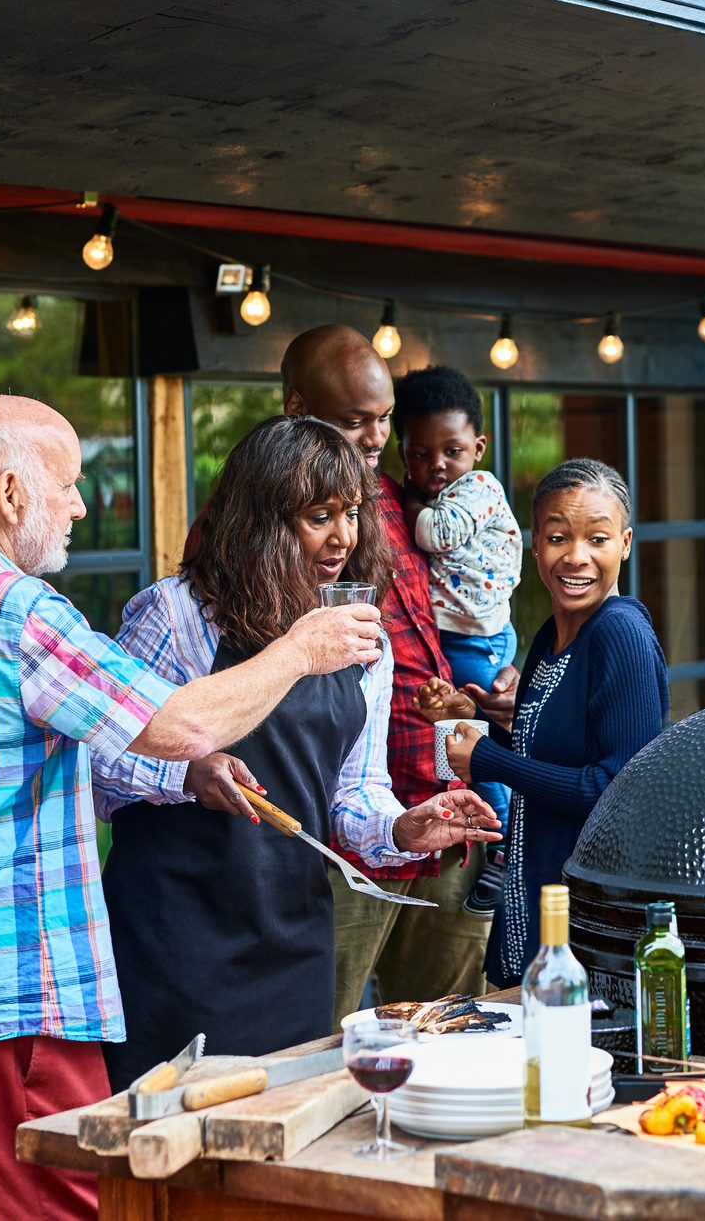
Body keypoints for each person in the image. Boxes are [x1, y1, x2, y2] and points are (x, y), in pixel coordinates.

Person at [0, 395, 385, 1221]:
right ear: (12, 492)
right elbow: (176, 725)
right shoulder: (12, 612)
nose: (82, 504)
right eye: (69, 483)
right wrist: (300, 650)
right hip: (8, 1007)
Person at [103, 417, 500, 1084]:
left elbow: (353, 792)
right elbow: (99, 762)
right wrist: (186, 771)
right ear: (260, 520)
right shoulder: (177, 616)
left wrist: (401, 826)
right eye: (319, 516)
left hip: (293, 937)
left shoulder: (357, 634)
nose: (342, 537)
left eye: (352, 513)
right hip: (176, 940)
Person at [273, 326, 505, 1021]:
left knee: (451, 1025)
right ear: (295, 409)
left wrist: (489, 672)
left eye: (381, 421)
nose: (374, 437)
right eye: (355, 421)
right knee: (325, 1036)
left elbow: (444, 611)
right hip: (349, 826)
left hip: (441, 805)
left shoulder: (399, 499)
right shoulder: (267, 512)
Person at [444, 459, 668, 987]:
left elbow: (614, 790)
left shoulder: (622, 636)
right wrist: (477, 719)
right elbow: (547, 759)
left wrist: (487, 759)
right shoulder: (549, 635)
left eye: (598, 539)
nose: (576, 557)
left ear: (626, 543)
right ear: (534, 543)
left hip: (593, 922)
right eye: (558, 537)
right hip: (533, 897)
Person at [393, 364, 522, 920]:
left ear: (479, 447)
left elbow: (437, 534)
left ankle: (503, 844)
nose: (435, 466)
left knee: (470, 743)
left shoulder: (479, 489)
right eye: (419, 454)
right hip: (473, 633)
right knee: (467, 736)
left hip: (478, 638)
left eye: (451, 451)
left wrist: (416, 508)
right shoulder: (444, 487)